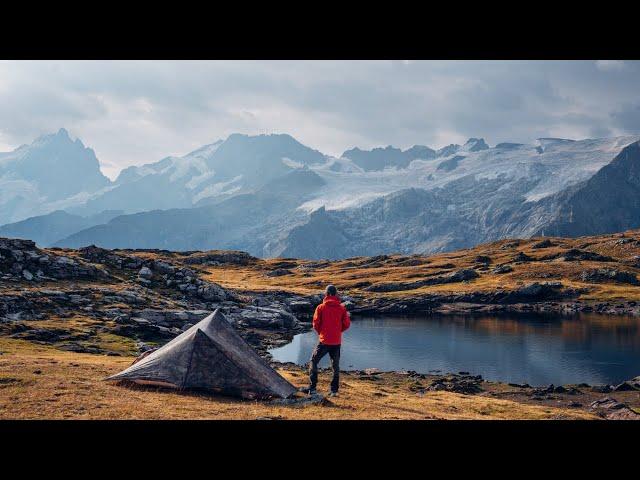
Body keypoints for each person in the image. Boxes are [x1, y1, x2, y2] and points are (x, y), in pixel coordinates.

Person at [304, 284, 351, 397]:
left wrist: (322, 333)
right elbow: (347, 324)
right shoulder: (341, 308)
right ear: (335, 294)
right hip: (336, 341)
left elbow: (315, 324)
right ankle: (334, 391)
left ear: (327, 294)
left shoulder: (320, 307)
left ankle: (313, 388)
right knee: (335, 366)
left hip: (324, 340)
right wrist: (338, 332)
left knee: (313, 361)